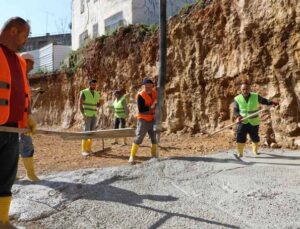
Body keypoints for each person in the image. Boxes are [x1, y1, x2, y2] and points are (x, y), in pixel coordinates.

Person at [0, 17, 36, 226]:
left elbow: (25, 93)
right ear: (13, 31)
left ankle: (2, 220)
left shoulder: (20, 61)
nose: (25, 41)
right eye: (25, 35)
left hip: (12, 129)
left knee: (6, 176)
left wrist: (29, 116)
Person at [234, 83, 279, 157]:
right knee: (240, 136)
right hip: (242, 121)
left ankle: (255, 151)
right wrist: (238, 116)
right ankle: (240, 152)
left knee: (254, 137)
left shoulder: (255, 96)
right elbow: (236, 110)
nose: (245, 91)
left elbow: (264, 101)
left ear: (249, 89)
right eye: (243, 89)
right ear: (241, 90)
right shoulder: (237, 98)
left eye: (246, 89)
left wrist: (272, 102)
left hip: (254, 121)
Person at [18, 52, 39, 181]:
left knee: (20, 144)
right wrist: (27, 116)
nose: (33, 64)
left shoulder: (24, 77)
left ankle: (28, 173)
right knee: (24, 144)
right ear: (25, 61)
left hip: (22, 117)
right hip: (16, 118)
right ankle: (29, 175)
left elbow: (27, 99)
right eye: (32, 62)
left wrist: (29, 114)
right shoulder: (17, 76)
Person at [128, 78, 157, 164]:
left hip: (152, 119)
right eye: (146, 86)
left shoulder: (155, 93)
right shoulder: (141, 95)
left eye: (150, 86)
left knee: (154, 138)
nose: (148, 88)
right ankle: (132, 156)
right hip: (143, 119)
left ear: (152, 86)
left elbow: (160, 101)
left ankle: (154, 156)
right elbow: (141, 109)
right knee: (139, 137)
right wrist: (152, 106)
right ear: (143, 86)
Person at [79, 79, 102, 156]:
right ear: (89, 84)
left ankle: (89, 149)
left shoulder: (97, 93)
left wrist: (101, 103)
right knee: (86, 132)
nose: (94, 86)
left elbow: (97, 105)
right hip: (87, 114)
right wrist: (83, 114)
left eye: (95, 85)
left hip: (94, 114)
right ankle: (83, 150)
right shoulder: (84, 92)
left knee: (91, 132)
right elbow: (80, 104)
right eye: (92, 85)